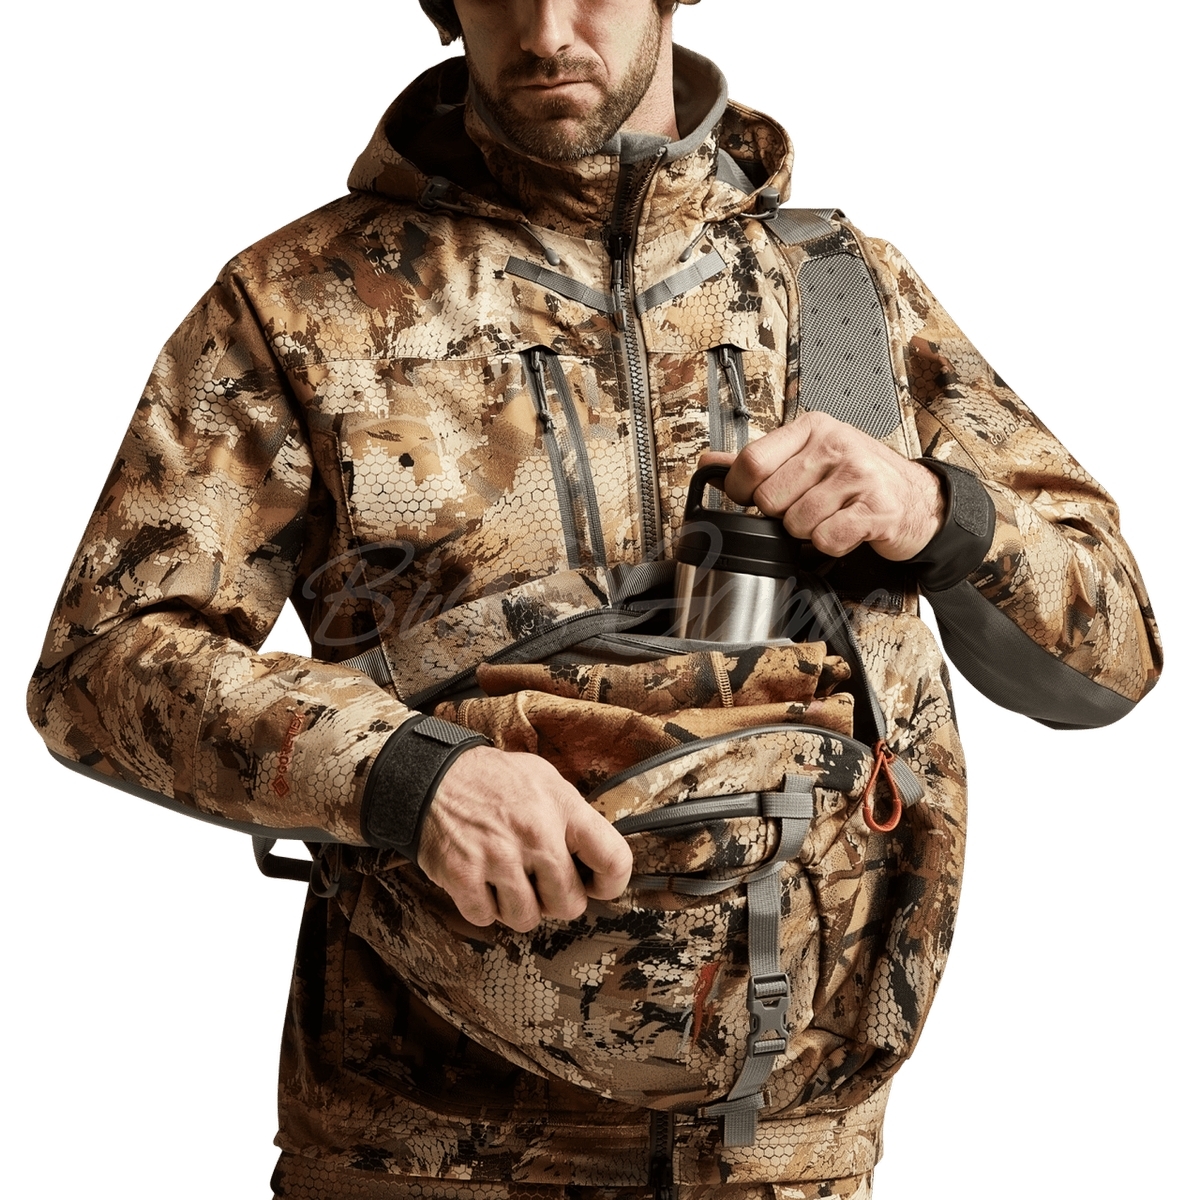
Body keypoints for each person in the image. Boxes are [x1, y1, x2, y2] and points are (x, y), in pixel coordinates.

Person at [26, 1, 1162, 1197]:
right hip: (426, 1154)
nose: (547, 29)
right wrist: (407, 776)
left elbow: (1114, 657)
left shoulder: (839, 296)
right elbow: (103, 661)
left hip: (789, 1157)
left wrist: (939, 512)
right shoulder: (306, 302)